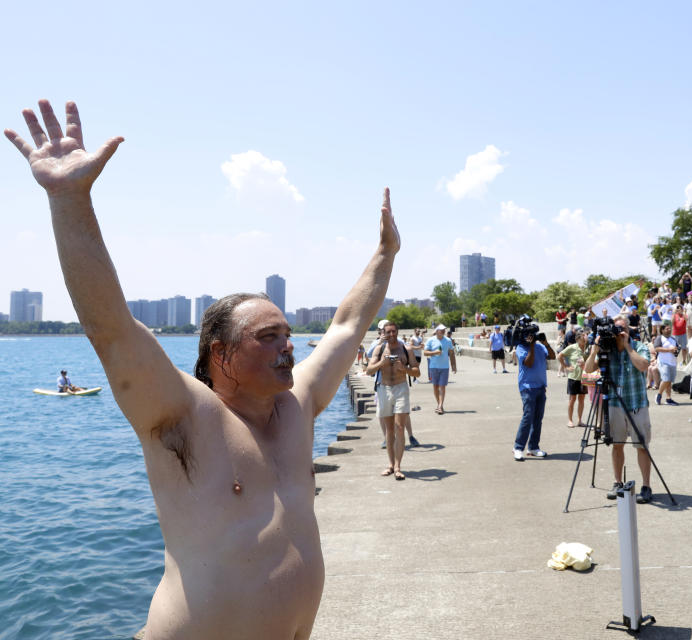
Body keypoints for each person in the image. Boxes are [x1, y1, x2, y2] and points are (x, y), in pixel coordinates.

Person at [4, 100, 400, 638]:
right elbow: (113, 330)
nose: (289, 347)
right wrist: (69, 198)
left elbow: (347, 326)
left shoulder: (296, 404)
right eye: (269, 337)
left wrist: (385, 253)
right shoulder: (185, 414)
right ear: (221, 353)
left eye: (287, 334)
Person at [584, 314, 655, 503]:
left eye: (623, 328)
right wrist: (594, 350)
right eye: (617, 329)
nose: (619, 332)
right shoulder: (607, 350)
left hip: (636, 405)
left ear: (629, 330)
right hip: (615, 403)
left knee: (641, 446)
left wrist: (628, 346)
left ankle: (646, 486)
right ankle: (617, 482)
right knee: (617, 445)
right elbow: (589, 370)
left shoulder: (639, 346)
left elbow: (643, 366)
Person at [366, 321, 420, 480]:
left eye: (393, 332)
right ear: (383, 333)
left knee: (399, 427)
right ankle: (390, 464)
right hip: (384, 389)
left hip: (401, 388)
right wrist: (382, 363)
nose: (391, 335)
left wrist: (405, 369)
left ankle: (398, 466)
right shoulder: (379, 349)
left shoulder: (406, 349)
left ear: (397, 332)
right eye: (387, 332)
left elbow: (417, 372)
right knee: (389, 430)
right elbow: (369, 370)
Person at [512, 327, 555, 460]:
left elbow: (552, 356)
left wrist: (545, 343)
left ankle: (533, 447)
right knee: (528, 417)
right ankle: (518, 447)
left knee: (538, 419)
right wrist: (531, 346)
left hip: (541, 387)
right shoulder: (520, 348)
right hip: (527, 387)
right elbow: (528, 363)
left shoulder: (539, 347)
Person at [423, 325, 457, 414]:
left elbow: (452, 353)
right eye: (441, 330)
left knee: (442, 386)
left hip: (444, 367)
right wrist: (435, 352)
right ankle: (439, 404)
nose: (443, 331)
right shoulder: (431, 340)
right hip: (433, 367)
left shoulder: (448, 340)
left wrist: (454, 366)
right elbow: (425, 353)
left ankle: (440, 406)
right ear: (436, 331)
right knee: (435, 387)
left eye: (444, 330)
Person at [559, 329, 588, 427]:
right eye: (583, 336)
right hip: (573, 377)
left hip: (584, 377)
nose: (585, 338)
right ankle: (570, 420)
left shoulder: (587, 347)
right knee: (572, 399)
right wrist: (566, 366)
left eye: (585, 336)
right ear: (578, 338)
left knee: (582, 399)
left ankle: (580, 420)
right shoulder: (572, 347)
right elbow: (560, 355)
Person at [652, 325, 679, 406]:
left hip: (673, 362)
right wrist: (669, 350)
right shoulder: (659, 338)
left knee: (669, 381)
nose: (669, 330)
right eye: (667, 329)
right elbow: (656, 348)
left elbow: (676, 349)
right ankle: (659, 395)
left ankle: (668, 398)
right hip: (663, 362)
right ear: (662, 330)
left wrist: (676, 351)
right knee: (666, 379)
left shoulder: (673, 339)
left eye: (670, 328)